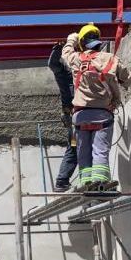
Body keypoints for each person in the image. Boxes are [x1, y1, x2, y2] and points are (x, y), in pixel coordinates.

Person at [62, 23, 131, 186]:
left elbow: (65, 53)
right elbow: (128, 77)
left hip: (80, 116)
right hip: (102, 115)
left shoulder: (76, 59)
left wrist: (72, 38)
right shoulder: (110, 58)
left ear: (81, 43)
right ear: (98, 41)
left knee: (83, 153)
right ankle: (99, 183)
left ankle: (87, 184)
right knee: (100, 150)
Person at [48, 42, 77, 192]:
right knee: (81, 148)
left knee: (74, 147)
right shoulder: (68, 72)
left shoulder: (69, 72)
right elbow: (53, 65)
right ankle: (63, 180)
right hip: (75, 118)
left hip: (72, 118)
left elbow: (53, 65)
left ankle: (62, 180)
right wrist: (57, 49)